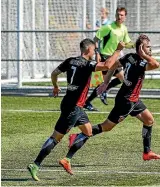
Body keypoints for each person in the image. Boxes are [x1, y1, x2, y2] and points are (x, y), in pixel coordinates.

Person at [27, 38, 125, 181]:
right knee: (56, 137)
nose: (94, 52)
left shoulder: (70, 61)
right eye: (93, 50)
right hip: (73, 108)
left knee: (88, 131)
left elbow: (54, 73)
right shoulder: (87, 64)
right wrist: (118, 49)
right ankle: (35, 164)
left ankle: (67, 159)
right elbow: (107, 65)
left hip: (71, 104)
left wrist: (55, 86)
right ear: (87, 50)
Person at [67, 34, 160, 174]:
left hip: (133, 99)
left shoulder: (129, 57)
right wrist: (144, 55)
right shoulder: (141, 63)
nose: (151, 49)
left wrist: (106, 82)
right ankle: (77, 136)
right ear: (141, 49)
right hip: (126, 101)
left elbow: (115, 65)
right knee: (106, 127)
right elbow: (156, 64)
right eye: (148, 47)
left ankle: (147, 152)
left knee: (149, 120)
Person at [84, 7, 135, 111]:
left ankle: (94, 98)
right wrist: (97, 53)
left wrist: (135, 45)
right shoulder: (108, 27)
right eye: (117, 14)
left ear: (125, 17)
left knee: (123, 79)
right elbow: (95, 39)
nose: (119, 16)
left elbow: (126, 44)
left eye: (121, 15)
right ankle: (127, 101)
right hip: (105, 58)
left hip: (115, 59)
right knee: (123, 80)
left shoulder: (124, 29)